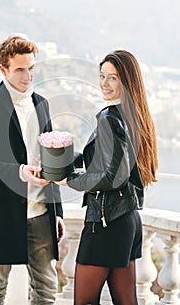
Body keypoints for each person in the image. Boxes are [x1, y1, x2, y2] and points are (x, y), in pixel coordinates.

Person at [0, 34, 65, 304]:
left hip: (42, 214)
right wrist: (19, 171)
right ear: (3, 70)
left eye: (31, 68)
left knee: (46, 291)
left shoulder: (42, 105)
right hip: (0, 212)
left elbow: (52, 161)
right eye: (20, 69)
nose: (27, 75)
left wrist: (57, 212)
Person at [56, 50, 158, 305]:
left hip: (105, 222)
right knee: (127, 302)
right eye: (102, 76)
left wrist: (70, 180)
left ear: (127, 81)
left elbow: (112, 177)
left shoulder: (109, 117)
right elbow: (111, 161)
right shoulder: (135, 116)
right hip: (128, 221)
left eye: (112, 78)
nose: (104, 83)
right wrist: (70, 158)